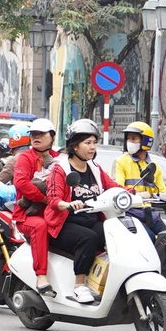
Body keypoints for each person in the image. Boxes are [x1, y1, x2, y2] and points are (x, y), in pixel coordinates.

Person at [44, 119, 119, 303]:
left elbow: (113, 187)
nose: (92, 147)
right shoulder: (60, 169)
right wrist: (68, 204)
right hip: (64, 224)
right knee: (89, 238)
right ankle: (79, 286)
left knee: (115, 236)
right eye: (88, 143)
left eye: (94, 142)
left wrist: (136, 194)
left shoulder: (95, 168)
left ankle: (106, 281)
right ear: (75, 146)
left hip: (91, 221)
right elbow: (53, 199)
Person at [11, 118, 59, 287]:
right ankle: (41, 276)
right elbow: (21, 183)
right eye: (33, 134)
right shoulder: (25, 157)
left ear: (52, 137)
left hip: (55, 211)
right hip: (27, 215)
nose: (36, 137)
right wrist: (45, 199)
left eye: (41, 134)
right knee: (40, 226)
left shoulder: (60, 158)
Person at [114, 122, 166, 193]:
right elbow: (116, 189)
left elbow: (162, 193)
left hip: (150, 204)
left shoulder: (154, 167)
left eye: (134, 139)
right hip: (129, 203)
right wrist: (138, 195)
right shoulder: (120, 162)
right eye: (128, 138)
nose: (130, 142)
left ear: (145, 141)